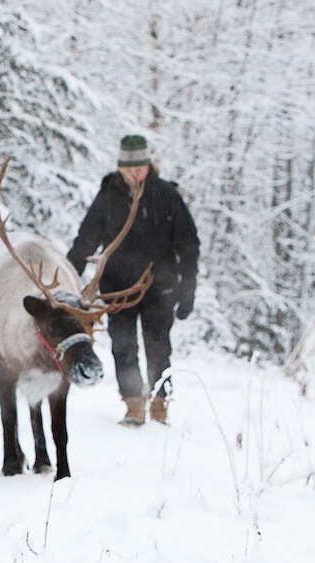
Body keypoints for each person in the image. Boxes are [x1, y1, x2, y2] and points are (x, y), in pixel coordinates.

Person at [67, 134, 200, 426]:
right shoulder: (109, 196)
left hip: (160, 288)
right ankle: (133, 405)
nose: (134, 175)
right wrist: (69, 273)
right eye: (128, 170)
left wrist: (188, 289)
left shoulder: (166, 196)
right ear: (120, 168)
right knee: (123, 347)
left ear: (147, 166)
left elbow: (189, 245)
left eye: (138, 169)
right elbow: (86, 239)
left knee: (158, 347)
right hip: (117, 289)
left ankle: (159, 404)